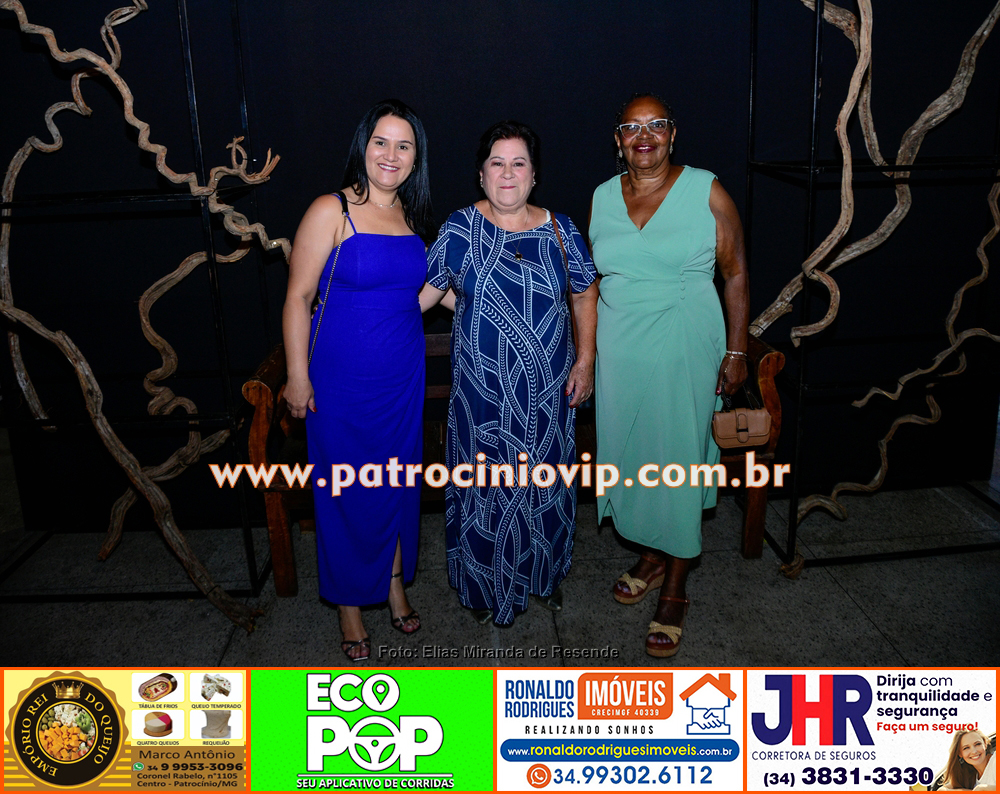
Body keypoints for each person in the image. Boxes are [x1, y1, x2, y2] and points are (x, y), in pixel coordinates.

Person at [419, 121, 598, 625]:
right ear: (481, 175)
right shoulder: (459, 229)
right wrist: (353, 315)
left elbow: (585, 292)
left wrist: (585, 360)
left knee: (546, 486)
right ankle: (481, 587)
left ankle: (543, 576)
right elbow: (422, 297)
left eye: (518, 163)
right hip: (480, 399)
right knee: (483, 491)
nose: (507, 173)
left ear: (534, 175)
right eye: (496, 163)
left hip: (547, 395)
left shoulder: (562, 229)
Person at [589, 93, 749, 658]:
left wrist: (736, 352)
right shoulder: (602, 196)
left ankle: (676, 585)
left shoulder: (706, 189)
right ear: (618, 140)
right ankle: (653, 556)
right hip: (620, 353)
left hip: (685, 341)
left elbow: (735, 273)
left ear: (672, 134)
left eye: (656, 125)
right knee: (635, 456)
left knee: (678, 458)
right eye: (632, 127)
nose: (645, 136)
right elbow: (592, 281)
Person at [282, 99, 434, 661]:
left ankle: (392, 585)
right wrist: (297, 376)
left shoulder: (412, 218)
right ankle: (349, 606)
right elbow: (298, 297)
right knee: (345, 490)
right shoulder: (332, 209)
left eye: (404, 145)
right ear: (363, 147)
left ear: (416, 158)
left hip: (401, 381)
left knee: (395, 485)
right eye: (381, 142)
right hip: (340, 381)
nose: (391, 155)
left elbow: (414, 299)